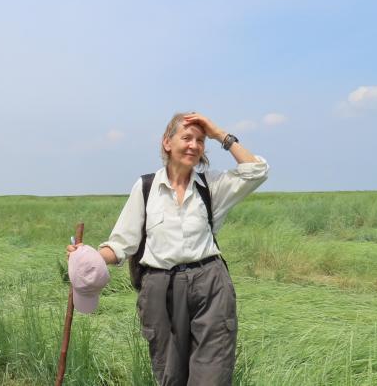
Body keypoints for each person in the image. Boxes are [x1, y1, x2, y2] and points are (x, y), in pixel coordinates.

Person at [67, 112, 269, 385]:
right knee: (170, 376)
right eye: (187, 137)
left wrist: (219, 133)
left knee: (213, 375)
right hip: (160, 287)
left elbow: (257, 171)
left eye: (200, 140)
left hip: (210, 284)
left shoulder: (211, 185)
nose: (194, 145)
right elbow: (121, 244)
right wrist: (88, 257)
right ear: (167, 143)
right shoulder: (147, 187)